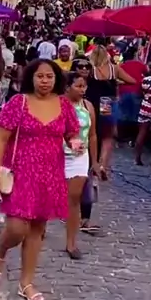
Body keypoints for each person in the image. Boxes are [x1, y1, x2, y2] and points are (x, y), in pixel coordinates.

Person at [0, 60, 81, 300]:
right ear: (32, 78)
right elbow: (0, 138)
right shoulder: (19, 103)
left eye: (49, 76)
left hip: (50, 175)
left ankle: (26, 283)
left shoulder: (64, 105)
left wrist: (74, 142)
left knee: (37, 229)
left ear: (56, 79)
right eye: (40, 76)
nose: (45, 81)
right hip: (20, 174)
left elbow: (71, 132)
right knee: (17, 228)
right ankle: (1, 249)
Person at [64, 72, 102, 258]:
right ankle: (40, 229)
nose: (82, 90)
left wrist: (95, 161)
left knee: (74, 199)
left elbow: (93, 135)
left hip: (79, 157)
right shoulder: (58, 105)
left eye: (84, 86)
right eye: (78, 86)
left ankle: (71, 243)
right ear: (67, 87)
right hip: (57, 155)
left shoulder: (87, 106)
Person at [87, 44, 135, 171]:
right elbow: (132, 81)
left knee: (92, 132)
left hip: (92, 103)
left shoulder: (90, 69)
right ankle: (103, 164)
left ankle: (92, 161)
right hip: (107, 103)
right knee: (107, 135)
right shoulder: (114, 69)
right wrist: (117, 82)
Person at [116, 45, 146, 144]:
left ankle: (121, 137)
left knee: (123, 114)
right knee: (135, 115)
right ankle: (133, 138)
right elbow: (148, 74)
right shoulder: (140, 65)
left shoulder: (121, 66)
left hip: (123, 91)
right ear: (134, 55)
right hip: (136, 91)